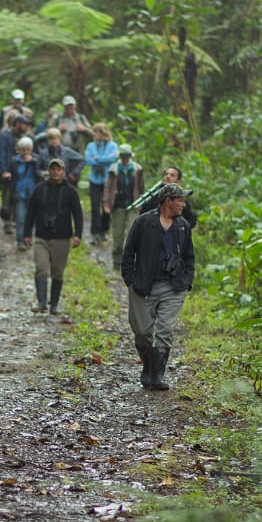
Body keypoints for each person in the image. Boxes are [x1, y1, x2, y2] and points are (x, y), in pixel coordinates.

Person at [120, 182, 196, 389]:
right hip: (144, 286)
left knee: (165, 330)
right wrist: (130, 280)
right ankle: (148, 366)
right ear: (168, 201)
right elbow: (128, 253)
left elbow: (189, 257)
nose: (184, 204)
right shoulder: (143, 223)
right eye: (180, 200)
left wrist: (186, 281)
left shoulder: (183, 226)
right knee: (143, 332)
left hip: (173, 286)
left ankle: (157, 376)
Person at [24, 158, 83, 314]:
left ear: (63, 172)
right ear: (48, 171)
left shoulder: (71, 192)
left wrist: (78, 235)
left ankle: (54, 304)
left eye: (58, 169)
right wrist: (26, 233)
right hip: (42, 236)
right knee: (41, 268)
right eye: (53, 169)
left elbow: (77, 214)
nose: (55, 172)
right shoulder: (39, 189)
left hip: (62, 238)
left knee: (57, 271)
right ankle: (42, 302)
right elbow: (30, 212)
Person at [103, 144, 146, 268]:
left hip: (134, 204)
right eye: (123, 156)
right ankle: (117, 261)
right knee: (118, 235)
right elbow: (108, 187)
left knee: (132, 234)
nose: (125, 159)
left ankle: (129, 262)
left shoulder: (137, 169)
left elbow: (141, 187)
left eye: (127, 156)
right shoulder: (114, 169)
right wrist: (106, 203)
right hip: (118, 205)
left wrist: (142, 202)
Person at [0, 113, 33, 234]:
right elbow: (1, 154)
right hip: (6, 172)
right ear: (18, 124)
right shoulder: (5, 135)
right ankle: (7, 222)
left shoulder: (22, 137)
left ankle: (16, 221)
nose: (26, 127)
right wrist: (3, 170)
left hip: (18, 173)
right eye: (24, 124)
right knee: (6, 197)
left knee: (16, 197)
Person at [84, 123, 117, 244]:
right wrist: (103, 159)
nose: (95, 134)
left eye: (97, 132)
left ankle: (104, 231)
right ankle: (95, 233)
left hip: (108, 180)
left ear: (103, 133)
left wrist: (97, 158)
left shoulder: (112, 145)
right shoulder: (91, 145)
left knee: (106, 206)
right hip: (94, 180)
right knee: (95, 206)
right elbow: (88, 159)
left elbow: (112, 158)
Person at [7, 136, 39, 251]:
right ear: (19, 150)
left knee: (31, 219)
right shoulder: (14, 161)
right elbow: (10, 174)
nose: (26, 152)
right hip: (19, 193)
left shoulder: (36, 161)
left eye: (28, 149)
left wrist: (33, 162)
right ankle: (20, 241)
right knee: (20, 219)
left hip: (32, 194)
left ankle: (28, 239)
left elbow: (40, 173)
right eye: (23, 149)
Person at [0, 89, 32, 159]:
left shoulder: (28, 112)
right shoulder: (5, 111)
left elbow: (31, 128)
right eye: (16, 99)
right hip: (6, 139)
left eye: (20, 99)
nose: (18, 101)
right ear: (12, 99)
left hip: (22, 141)